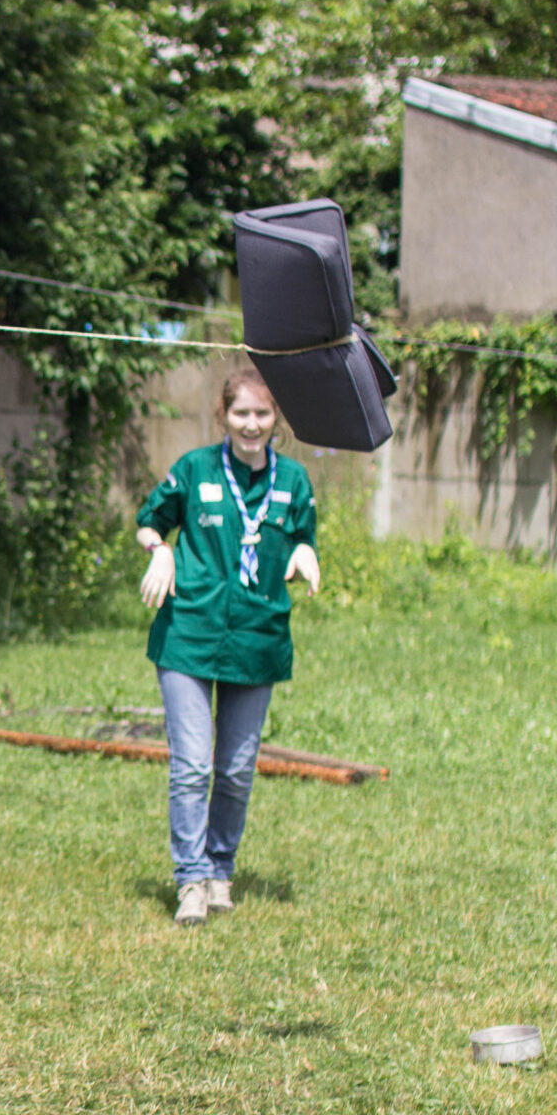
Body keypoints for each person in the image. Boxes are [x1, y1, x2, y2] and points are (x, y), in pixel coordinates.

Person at [134, 366, 321, 926]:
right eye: (241, 413)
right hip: (189, 633)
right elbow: (148, 522)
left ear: (276, 419)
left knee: (237, 769)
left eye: (262, 414)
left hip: (256, 639)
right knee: (193, 766)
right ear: (224, 415)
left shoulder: (293, 481)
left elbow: (303, 535)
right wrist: (160, 550)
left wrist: (304, 553)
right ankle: (190, 880)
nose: (252, 424)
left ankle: (219, 869)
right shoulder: (194, 470)